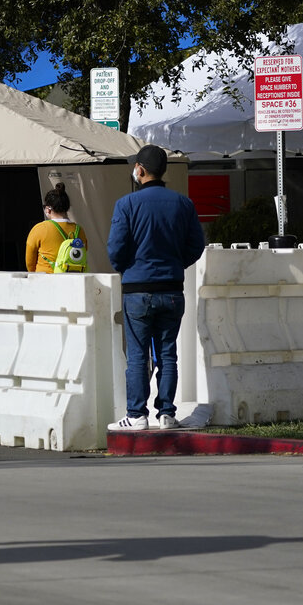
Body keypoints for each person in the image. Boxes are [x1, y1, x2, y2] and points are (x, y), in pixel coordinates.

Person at [106, 145, 205, 431]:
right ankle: (167, 414)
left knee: (138, 354)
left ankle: (137, 415)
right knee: (167, 353)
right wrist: (176, 263)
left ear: (140, 169)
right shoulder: (183, 204)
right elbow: (196, 246)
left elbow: (115, 249)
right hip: (172, 288)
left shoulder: (126, 204)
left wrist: (127, 268)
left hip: (137, 289)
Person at [25, 183, 88, 273]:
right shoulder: (79, 230)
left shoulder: (39, 229)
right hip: (73, 280)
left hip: (46, 280)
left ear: (48, 209)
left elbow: (30, 263)